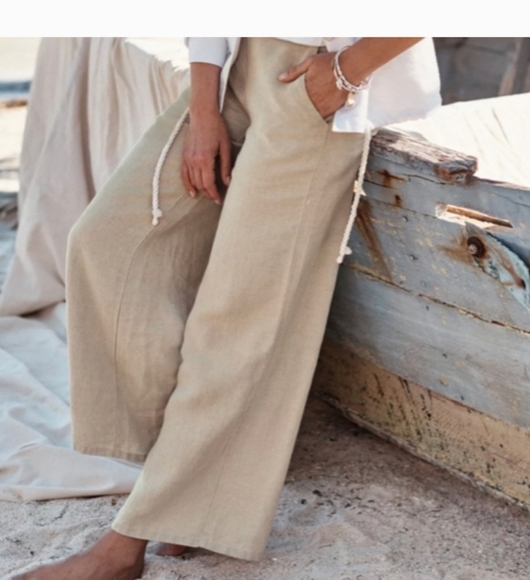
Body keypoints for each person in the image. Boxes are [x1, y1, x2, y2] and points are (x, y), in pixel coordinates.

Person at [15, 37, 440, 580]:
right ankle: (186, 493)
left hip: (318, 78)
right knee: (108, 243)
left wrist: (343, 72)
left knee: (235, 322)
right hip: (236, 64)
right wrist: (203, 107)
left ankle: (123, 549)